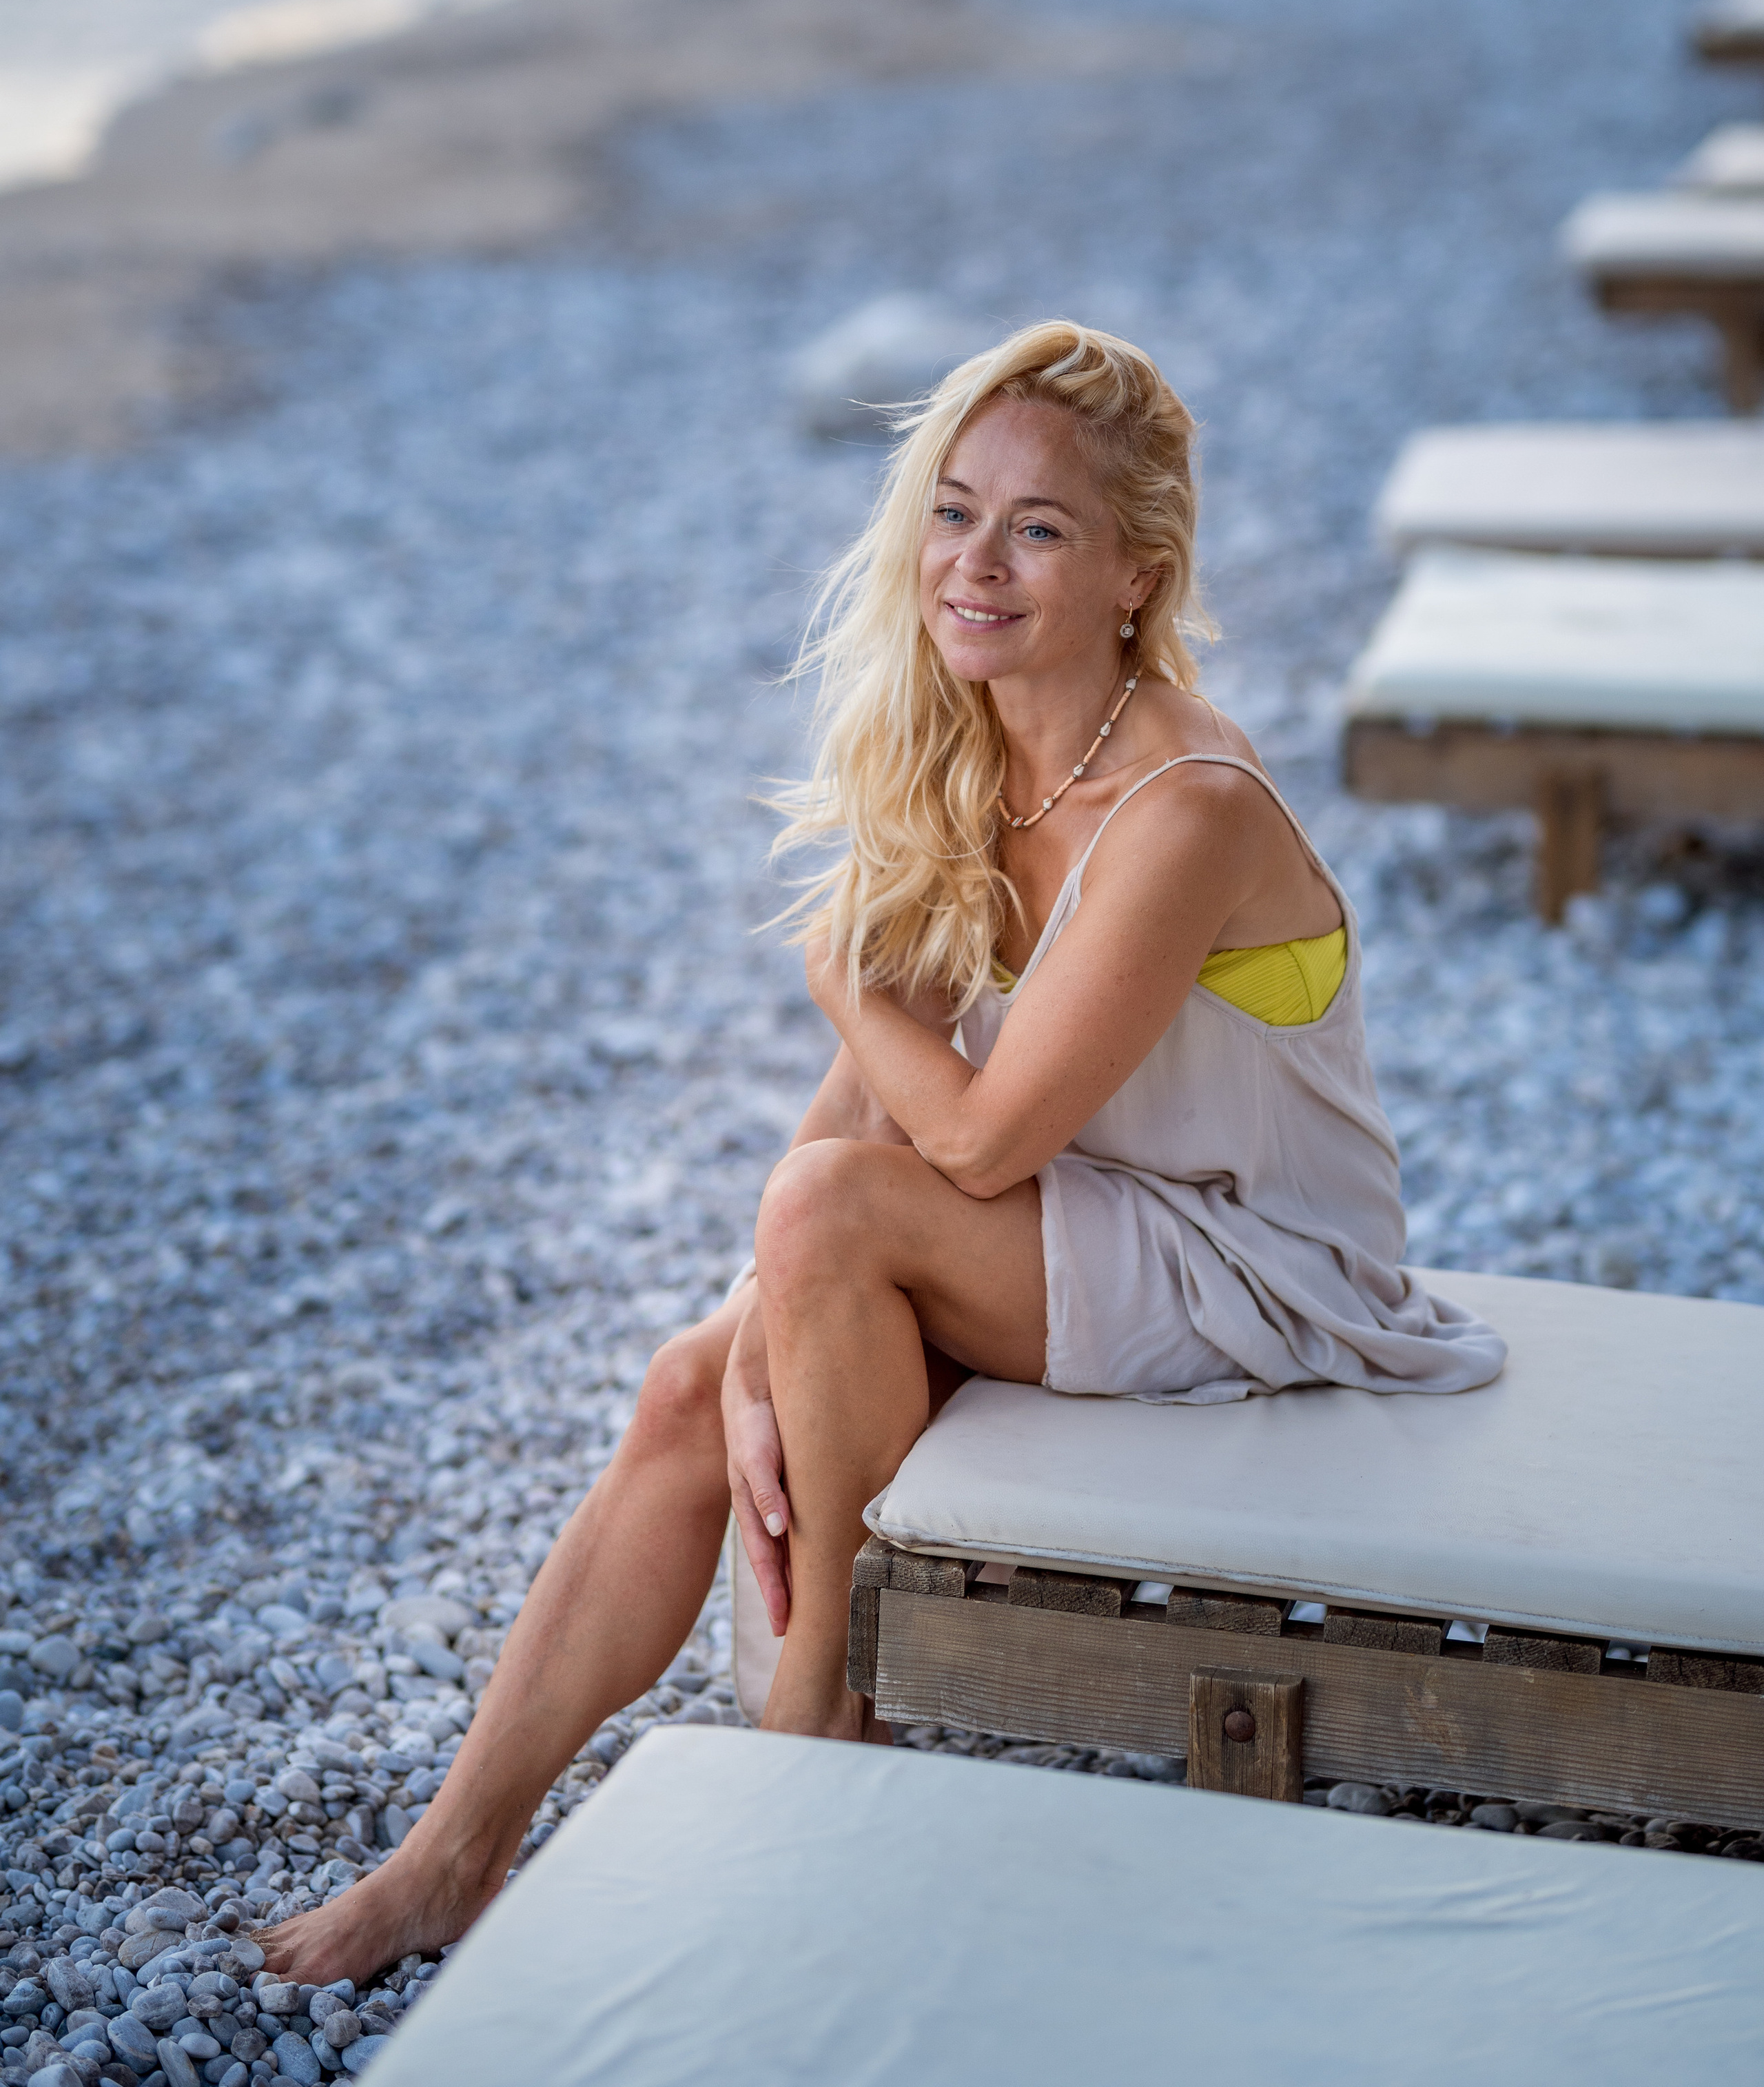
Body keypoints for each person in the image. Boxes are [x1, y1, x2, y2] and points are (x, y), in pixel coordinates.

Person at [263, 320, 1504, 1983]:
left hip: (1258, 1266)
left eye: (1037, 529)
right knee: (685, 1382)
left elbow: (974, 1136)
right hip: (1083, 1222)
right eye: (951, 508)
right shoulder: (970, 739)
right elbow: (857, 1116)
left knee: (833, 1217)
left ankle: (824, 1710)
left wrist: (837, 981)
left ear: (1136, 575)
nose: (972, 563)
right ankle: (449, 1859)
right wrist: (758, 1330)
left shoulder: (1185, 802)